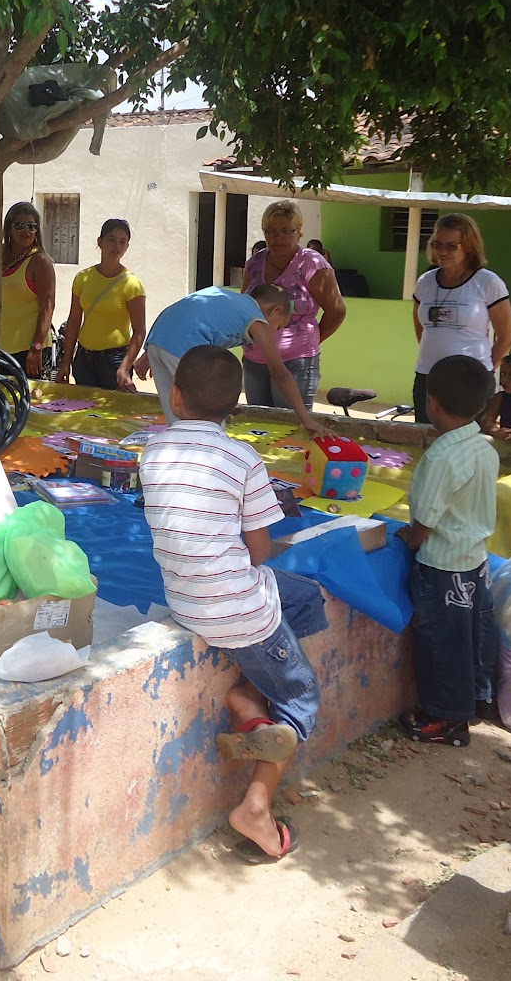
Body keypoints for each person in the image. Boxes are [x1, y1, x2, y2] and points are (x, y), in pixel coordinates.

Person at [139, 345, 322, 860]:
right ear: (236, 404)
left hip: (185, 601)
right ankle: (256, 809)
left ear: (176, 396)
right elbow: (259, 552)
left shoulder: (153, 450)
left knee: (304, 598)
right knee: (302, 697)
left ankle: (247, 698)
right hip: (238, 608)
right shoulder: (243, 457)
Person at [396, 354, 500, 747]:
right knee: (474, 635)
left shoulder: (441, 457)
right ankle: (478, 697)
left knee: (440, 642)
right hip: (474, 560)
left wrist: (410, 538)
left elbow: (425, 519)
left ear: (432, 402)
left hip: (441, 565)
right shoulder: (484, 448)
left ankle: (445, 719)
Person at [136, 284, 326, 434]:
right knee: (208, 418)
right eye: (278, 327)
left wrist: (151, 350)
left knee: (176, 415)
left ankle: (182, 456)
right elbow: (280, 374)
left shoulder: (230, 299)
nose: (275, 333)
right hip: (183, 345)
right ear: (275, 310)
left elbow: (183, 311)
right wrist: (306, 419)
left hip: (158, 340)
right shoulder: (256, 319)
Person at [241, 200, 344, 410]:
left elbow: (337, 311)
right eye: (271, 231)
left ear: (299, 232)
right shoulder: (254, 263)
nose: (278, 237)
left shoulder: (312, 263)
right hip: (254, 359)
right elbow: (244, 306)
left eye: (286, 231)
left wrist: (309, 341)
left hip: (296, 361)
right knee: (257, 422)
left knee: (292, 423)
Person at [411, 213, 511, 420]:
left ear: (468, 246)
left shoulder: (488, 282)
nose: (442, 252)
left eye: (451, 246)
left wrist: (482, 371)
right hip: (428, 377)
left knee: (467, 438)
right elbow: (421, 326)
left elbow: (507, 338)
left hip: (470, 383)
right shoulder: (425, 282)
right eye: (437, 244)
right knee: (426, 436)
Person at [57, 219, 146, 391]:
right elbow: (74, 320)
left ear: (127, 247)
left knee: (114, 408)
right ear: (100, 242)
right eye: (111, 240)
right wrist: (66, 362)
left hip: (114, 361)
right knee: (83, 406)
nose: (117, 246)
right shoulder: (83, 278)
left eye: (122, 242)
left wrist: (124, 368)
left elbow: (139, 331)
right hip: (84, 359)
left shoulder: (132, 284)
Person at [0, 201, 57, 377]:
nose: (26, 231)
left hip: (29, 351)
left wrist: (36, 347)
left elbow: (48, 307)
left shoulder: (40, 261)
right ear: (8, 228)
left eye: (32, 226)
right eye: (19, 225)